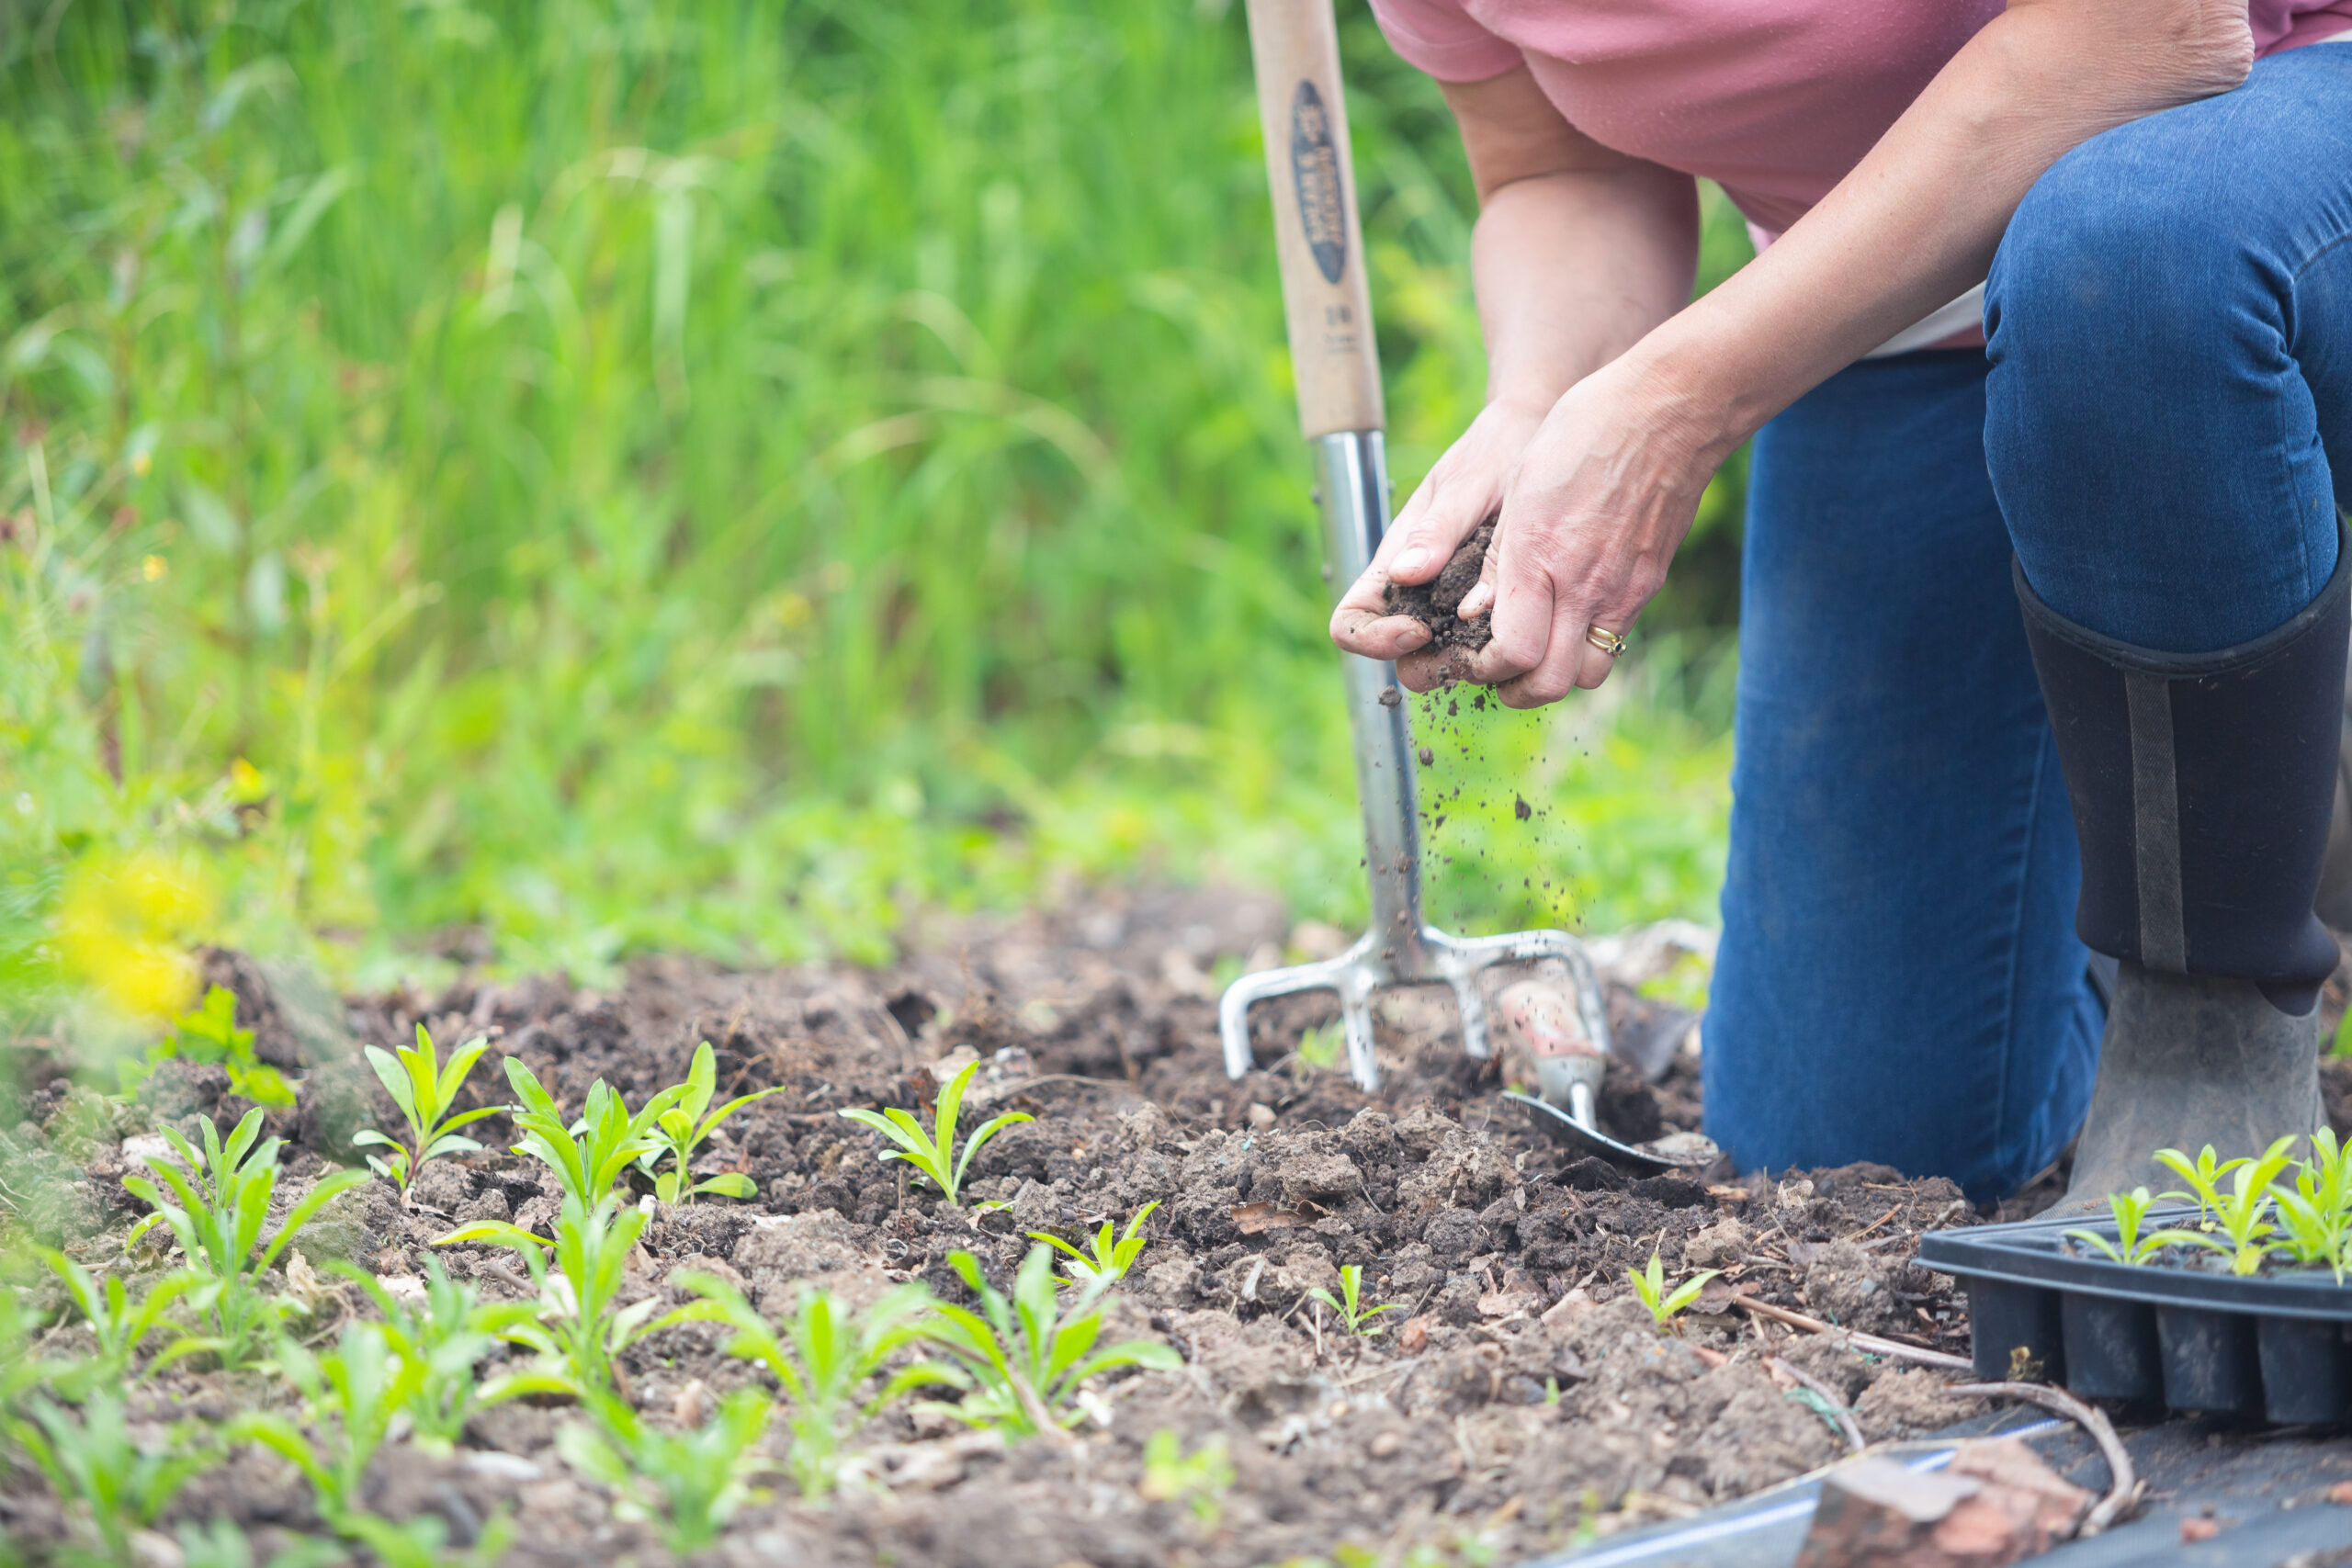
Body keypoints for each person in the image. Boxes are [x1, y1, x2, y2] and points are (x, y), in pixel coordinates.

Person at [1333, 0, 2352, 1204]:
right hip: (1893, 313)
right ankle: (2227, 755)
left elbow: (2145, 37)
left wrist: (1678, 404)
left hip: (2252, 162)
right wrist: (1543, 400)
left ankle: (2210, 1019)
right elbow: (1562, 166)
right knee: (1852, 1148)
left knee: (2132, 253)